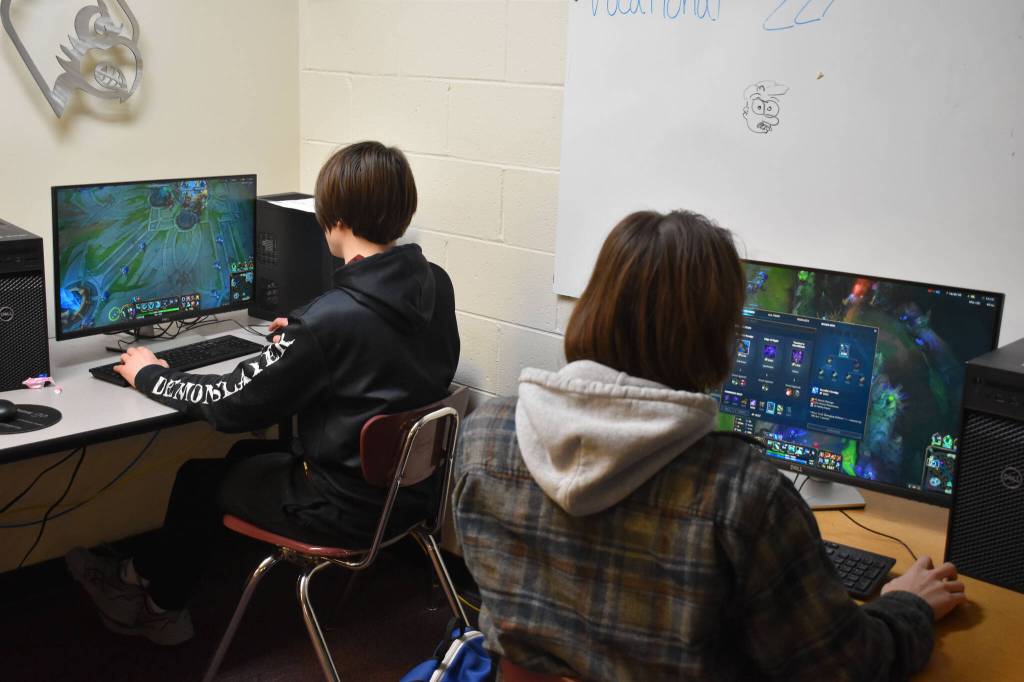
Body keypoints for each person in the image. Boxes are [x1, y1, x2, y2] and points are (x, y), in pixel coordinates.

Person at [452, 210, 964, 681]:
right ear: (721, 340)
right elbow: (844, 667)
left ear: (594, 305)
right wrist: (907, 605)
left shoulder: (485, 438)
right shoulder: (743, 494)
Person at [67, 141, 460, 646]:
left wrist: (147, 374)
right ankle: (141, 575)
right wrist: (299, 344)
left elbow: (232, 404)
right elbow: (397, 365)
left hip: (341, 509)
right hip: (408, 497)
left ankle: (157, 606)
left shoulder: (328, 321)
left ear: (335, 219)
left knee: (196, 478)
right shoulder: (436, 284)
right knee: (244, 457)